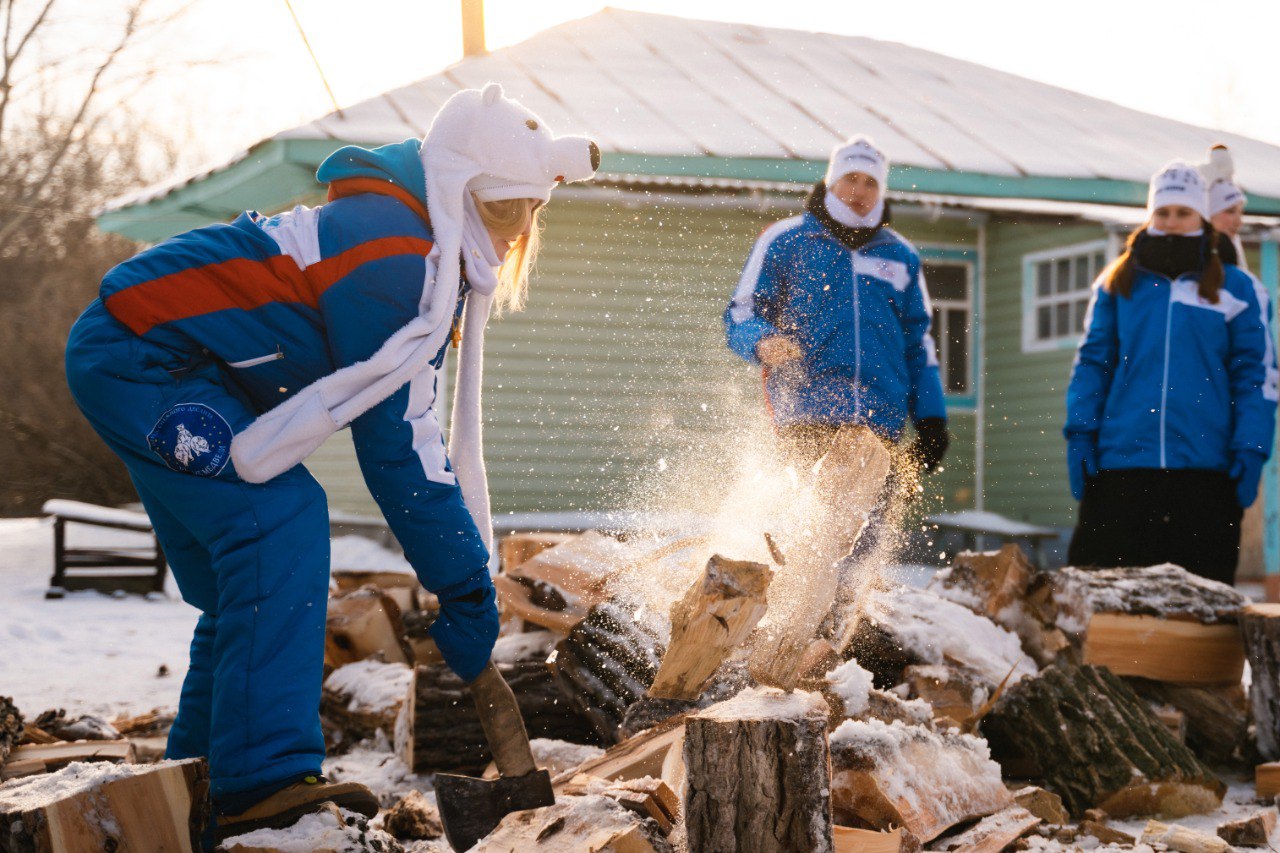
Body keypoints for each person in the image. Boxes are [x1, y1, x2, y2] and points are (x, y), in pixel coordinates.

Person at [64, 83, 598, 841]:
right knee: (275, 522)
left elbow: (417, 434)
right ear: (455, 184)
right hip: (141, 353)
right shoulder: (396, 252)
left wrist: (462, 576)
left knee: (241, 581)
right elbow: (397, 447)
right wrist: (464, 588)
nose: (516, 231)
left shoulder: (422, 247)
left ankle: (196, 783)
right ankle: (263, 781)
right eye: (504, 207)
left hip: (164, 357)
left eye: (530, 211)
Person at [723, 136, 949, 544]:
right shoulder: (786, 240)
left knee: (863, 546)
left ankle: (851, 609)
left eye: (870, 183)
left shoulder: (901, 256)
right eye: (851, 179)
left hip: (880, 420)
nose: (860, 192)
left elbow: (918, 345)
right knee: (805, 539)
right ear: (831, 182)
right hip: (808, 412)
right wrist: (762, 341)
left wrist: (932, 420)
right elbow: (742, 311)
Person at [1064, 161, 1277, 584]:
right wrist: (1080, 433)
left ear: (1201, 216)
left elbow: (1255, 377)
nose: (1172, 222)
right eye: (1163, 213)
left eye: (1183, 212)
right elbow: (1092, 364)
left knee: (1200, 608)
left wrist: (1251, 450)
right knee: (1100, 601)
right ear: (1150, 216)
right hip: (1123, 467)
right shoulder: (1117, 284)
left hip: (1204, 473)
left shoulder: (1237, 289)